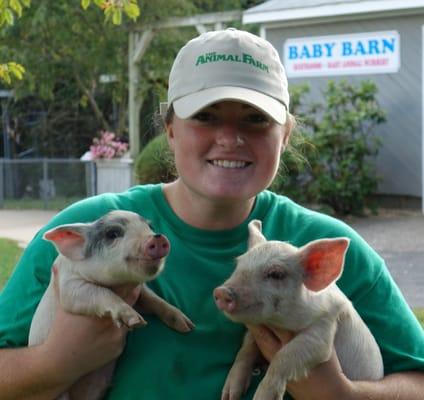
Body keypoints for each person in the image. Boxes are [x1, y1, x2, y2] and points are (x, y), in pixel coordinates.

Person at [0, 28, 423, 400]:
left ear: (286, 134)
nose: (230, 137)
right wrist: (54, 364)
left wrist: (341, 396)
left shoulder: (327, 245)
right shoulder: (88, 231)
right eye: (205, 116)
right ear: (169, 129)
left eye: (256, 119)